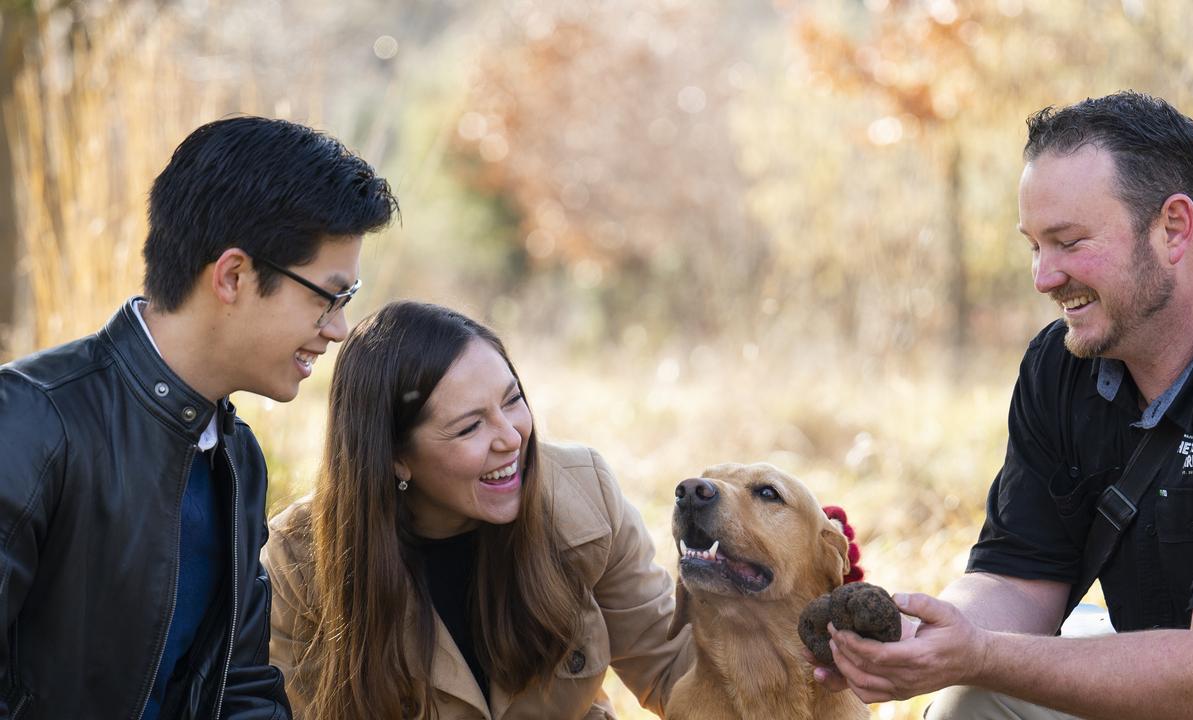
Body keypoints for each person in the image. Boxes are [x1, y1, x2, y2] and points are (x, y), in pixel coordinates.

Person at [821, 91, 1193, 718]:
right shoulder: (1060, 365)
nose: (1043, 277)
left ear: (1174, 227)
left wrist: (980, 653)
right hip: (1172, 683)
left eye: (1068, 241)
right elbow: (1017, 578)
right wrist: (930, 639)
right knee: (968, 703)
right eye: (1035, 246)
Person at [0, 116, 397, 719]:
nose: (338, 329)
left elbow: (240, 688)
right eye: (326, 296)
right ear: (233, 276)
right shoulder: (32, 419)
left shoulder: (237, 460)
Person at [262, 301, 693, 719]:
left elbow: (674, 668)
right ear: (394, 455)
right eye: (470, 426)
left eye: (512, 400)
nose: (511, 437)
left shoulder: (584, 491)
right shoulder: (297, 561)